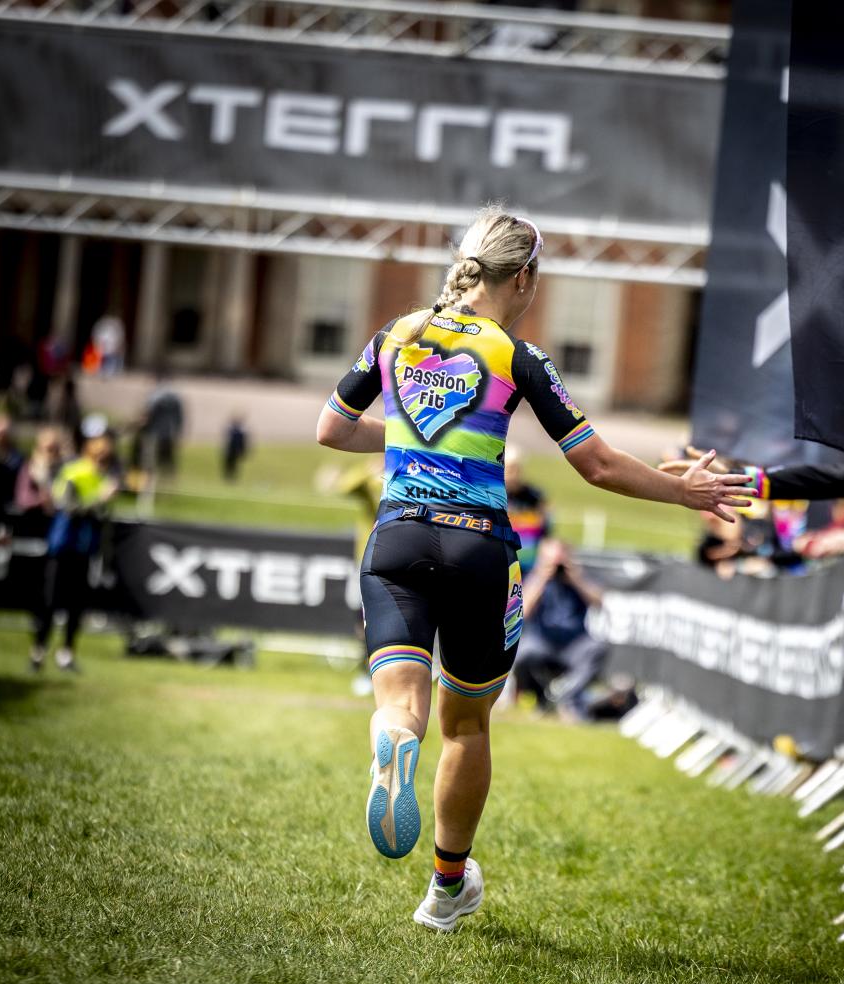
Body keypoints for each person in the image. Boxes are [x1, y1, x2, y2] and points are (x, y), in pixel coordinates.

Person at [314, 206, 750, 933]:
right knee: (466, 725)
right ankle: (445, 888)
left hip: (398, 541)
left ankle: (394, 740)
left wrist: (408, 440)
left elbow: (331, 428)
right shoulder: (517, 355)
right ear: (522, 277)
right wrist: (683, 491)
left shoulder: (396, 334)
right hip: (479, 549)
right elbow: (598, 464)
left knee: (402, 703)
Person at [31, 424, 119, 672]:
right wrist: (100, 499)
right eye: (100, 457)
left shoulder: (102, 478)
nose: (104, 463)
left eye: (107, 459)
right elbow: (69, 507)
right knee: (50, 600)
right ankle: (38, 651)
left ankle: (67, 654)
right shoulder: (74, 473)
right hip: (63, 546)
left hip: (84, 548)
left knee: (76, 605)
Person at [512, 538, 608, 720]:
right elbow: (523, 611)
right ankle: (540, 697)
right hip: (543, 640)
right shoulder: (533, 577)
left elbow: (600, 602)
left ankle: (568, 697)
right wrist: (542, 577)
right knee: (523, 652)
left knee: (597, 648)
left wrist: (575, 578)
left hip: (574, 643)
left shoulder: (579, 577)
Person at [503, 448, 550, 575]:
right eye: (509, 469)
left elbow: (546, 528)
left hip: (530, 564)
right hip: (503, 562)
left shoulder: (534, 496)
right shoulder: (495, 495)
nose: (513, 474)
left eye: (516, 468)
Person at [140, 374, 185, 481]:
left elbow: (147, 414)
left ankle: (149, 482)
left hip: (154, 431)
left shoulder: (155, 396)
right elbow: (179, 417)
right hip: (169, 432)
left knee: (150, 459)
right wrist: (178, 431)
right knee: (167, 459)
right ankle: (167, 481)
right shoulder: (176, 397)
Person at [222, 416, 249, 483]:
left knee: (234, 465)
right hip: (230, 451)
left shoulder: (240, 432)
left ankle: (232, 478)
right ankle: (228, 477)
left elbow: (242, 443)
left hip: (235, 451)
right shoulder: (232, 431)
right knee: (229, 465)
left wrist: (243, 451)